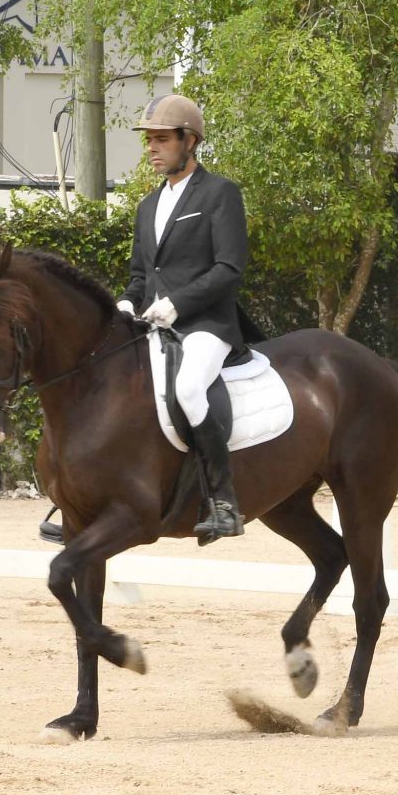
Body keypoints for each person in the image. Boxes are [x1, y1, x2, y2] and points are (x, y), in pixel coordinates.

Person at [117, 93, 248, 542]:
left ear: (189, 141)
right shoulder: (147, 206)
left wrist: (179, 304)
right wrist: (125, 304)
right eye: (148, 141)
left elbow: (229, 268)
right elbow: (141, 276)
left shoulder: (219, 194)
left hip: (206, 325)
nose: (152, 148)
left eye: (161, 140)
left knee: (190, 388)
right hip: (156, 324)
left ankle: (224, 502)